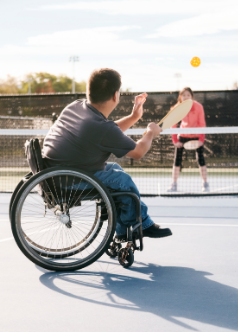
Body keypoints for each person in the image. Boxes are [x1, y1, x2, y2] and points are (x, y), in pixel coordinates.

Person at [42, 68, 172, 240]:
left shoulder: (76, 107)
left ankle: (122, 231)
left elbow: (109, 132)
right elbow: (139, 152)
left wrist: (134, 117)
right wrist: (151, 133)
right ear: (116, 95)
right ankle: (141, 224)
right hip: (71, 180)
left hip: (54, 174)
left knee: (115, 169)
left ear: (89, 91)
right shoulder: (101, 126)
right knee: (122, 181)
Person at [168, 87, 209, 193]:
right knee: (177, 160)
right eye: (183, 95)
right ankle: (174, 184)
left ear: (192, 97)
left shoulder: (198, 107)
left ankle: (205, 184)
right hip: (183, 136)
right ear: (180, 97)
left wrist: (201, 139)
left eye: (188, 95)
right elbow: (173, 124)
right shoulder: (176, 108)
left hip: (196, 136)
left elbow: (202, 124)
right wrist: (175, 141)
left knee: (200, 159)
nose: (186, 97)